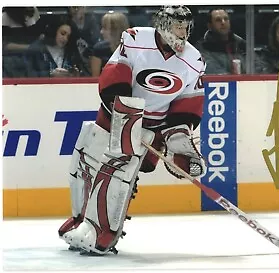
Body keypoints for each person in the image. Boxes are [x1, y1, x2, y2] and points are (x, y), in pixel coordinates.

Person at [58, 5, 206, 256]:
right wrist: (125, 114)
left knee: (118, 169)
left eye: (185, 26)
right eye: (176, 26)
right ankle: (80, 218)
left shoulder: (194, 60)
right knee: (85, 158)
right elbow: (115, 74)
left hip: (153, 128)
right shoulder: (136, 38)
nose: (181, 32)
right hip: (117, 113)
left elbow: (187, 105)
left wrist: (177, 143)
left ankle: (102, 231)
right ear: (163, 24)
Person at [195, 8, 245, 74]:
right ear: (210, 26)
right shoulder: (202, 48)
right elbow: (213, 70)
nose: (223, 22)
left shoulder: (240, 43)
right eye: (218, 20)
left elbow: (257, 66)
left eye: (226, 19)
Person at [90, 12, 129, 77]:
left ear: (116, 30)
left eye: (105, 28)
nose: (101, 32)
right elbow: (95, 79)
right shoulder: (99, 49)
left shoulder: (132, 49)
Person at [68, 6, 101, 76]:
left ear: (84, 8)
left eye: (78, 7)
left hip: (92, 64)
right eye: (73, 7)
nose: (76, 10)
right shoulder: (67, 24)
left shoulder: (94, 23)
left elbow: (97, 45)